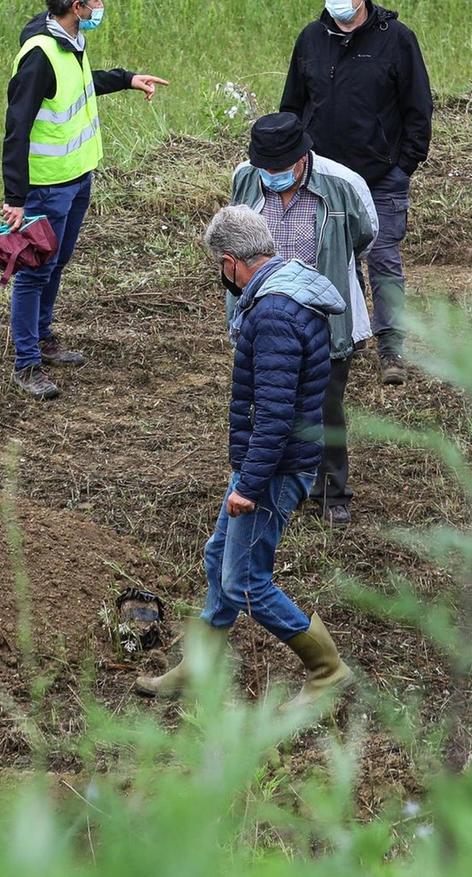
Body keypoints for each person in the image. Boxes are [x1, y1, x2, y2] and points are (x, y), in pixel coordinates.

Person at [135, 205, 355, 710]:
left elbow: (274, 415)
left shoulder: (274, 314)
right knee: (219, 556)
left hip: (274, 471)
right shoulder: (292, 288)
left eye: (220, 267)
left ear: (232, 261)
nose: (221, 277)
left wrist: (248, 487)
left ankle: (326, 670)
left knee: (245, 581)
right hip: (270, 462)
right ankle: (201, 663)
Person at [2, 0, 168, 399]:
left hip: (77, 178)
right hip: (47, 188)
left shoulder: (69, 39)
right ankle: (26, 365)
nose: (102, 6)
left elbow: (78, 83)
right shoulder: (40, 55)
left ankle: (42, 337)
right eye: (95, 1)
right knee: (34, 272)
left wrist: (126, 79)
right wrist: (16, 197)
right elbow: (17, 127)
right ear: (76, 7)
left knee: (56, 262)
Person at [231, 113, 377, 528]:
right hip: (265, 318)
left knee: (324, 406)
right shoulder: (245, 177)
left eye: (281, 169)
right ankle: (276, 485)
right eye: (267, 169)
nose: (273, 176)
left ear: (302, 158)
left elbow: (365, 236)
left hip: (319, 321)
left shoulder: (343, 184)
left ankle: (332, 491)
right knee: (268, 404)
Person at [280, 0, 432, 386]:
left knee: (382, 259)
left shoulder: (396, 39)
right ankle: (348, 332)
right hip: (326, 177)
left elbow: (418, 108)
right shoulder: (311, 39)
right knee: (334, 256)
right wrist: (298, 163)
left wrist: (403, 166)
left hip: (381, 176)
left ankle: (391, 346)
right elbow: (293, 107)